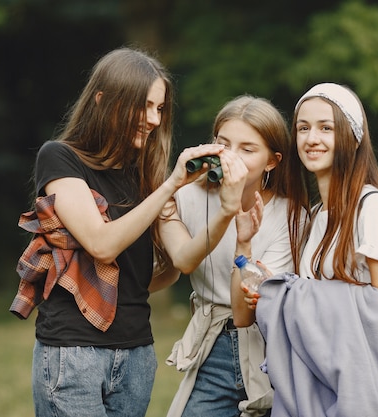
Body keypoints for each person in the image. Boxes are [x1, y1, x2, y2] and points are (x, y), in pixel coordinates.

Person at [8, 47, 229, 417]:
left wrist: (225, 208)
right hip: (74, 354)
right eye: (144, 106)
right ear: (103, 100)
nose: (154, 119)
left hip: (137, 356)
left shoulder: (146, 175)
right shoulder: (61, 158)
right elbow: (101, 243)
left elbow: (168, 269)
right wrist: (171, 185)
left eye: (159, 108)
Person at [235, 83, 378, 417]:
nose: (311, 138)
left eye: (326, 128)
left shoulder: (371, 208)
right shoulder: (319, 214)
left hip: (368, 377)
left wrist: (293, 295)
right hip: (323, 377)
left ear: (353, 137)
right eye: (303, 128)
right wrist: (275, 291)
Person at [150, 95, 300, 417]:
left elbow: (246, 307)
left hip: (268, 347)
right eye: (223, 143)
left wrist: (243, 244)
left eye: (247, 149)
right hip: (212, 344)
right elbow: (182, 261)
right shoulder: (185, 197)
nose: (231, 156)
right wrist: (224, 209)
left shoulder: (291, 217)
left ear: (272, 161)